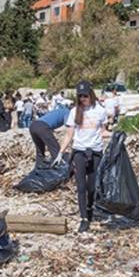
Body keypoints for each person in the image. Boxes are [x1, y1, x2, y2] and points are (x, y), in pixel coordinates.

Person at [54, 81, 108, 233]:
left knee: (92, 187)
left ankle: (90, 209)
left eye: (85, 95)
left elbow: (103, 131)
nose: (83, 98)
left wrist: (117, 135)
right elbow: (69, 134)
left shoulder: (100, 110)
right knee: (81, 187)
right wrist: (60, 152)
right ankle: (83, 218)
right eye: (80, 96)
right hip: (79, 152)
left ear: (91, 94)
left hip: (96, 152)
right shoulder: (74, 112)